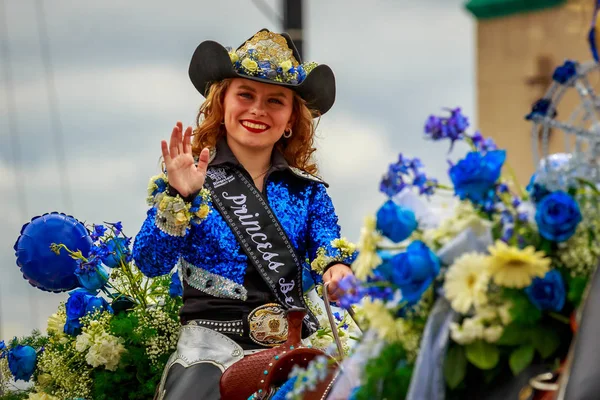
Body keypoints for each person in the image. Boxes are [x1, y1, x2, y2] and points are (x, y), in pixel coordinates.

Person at [132, 28, 356, 400]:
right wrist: (178, 197)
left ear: (289, 121)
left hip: (293, 355)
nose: (257, 109)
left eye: (275, 101)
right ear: (222, 105)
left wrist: (338, 269)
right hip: (209, 356)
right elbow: (149, 262)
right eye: (245, 95)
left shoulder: (309, 192)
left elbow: (328, 246)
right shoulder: (189, 182)